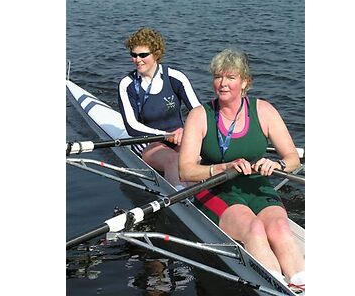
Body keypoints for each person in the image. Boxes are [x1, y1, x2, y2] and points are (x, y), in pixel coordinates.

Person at [178, 48, 305, 289]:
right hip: (215, 187)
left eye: (230, 77)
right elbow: (186, 171)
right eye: (218, 77)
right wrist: (223, 166)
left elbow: (292, 159)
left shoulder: (264, 111)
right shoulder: (199, 116)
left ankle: (302, 281)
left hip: (256, 185)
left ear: (245, 82)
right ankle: (276, 286)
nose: (222, 84)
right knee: (254, 229)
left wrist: (276, 163)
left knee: (279, 228)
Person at [117, 27, 200, 188]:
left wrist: (186, 131)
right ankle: (182, 203)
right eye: (133, 55)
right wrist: (165, 135)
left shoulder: (175, 77)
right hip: (147, 141)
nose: (137, 60)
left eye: (143, 55)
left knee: (198, 158)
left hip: (178, 136)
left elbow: (199, 113)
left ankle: (204, 197)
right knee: (173, 160)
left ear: (156, 54)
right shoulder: (127, 85)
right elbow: (131, 127)